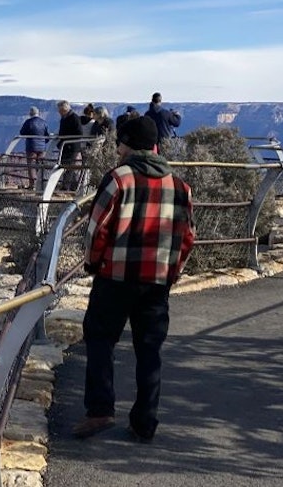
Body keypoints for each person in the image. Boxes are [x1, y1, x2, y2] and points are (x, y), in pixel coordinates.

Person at [72, 116, 195, 443]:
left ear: (128, 145)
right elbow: (187, 237)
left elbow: (97, 229)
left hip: (115, 278)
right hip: (157, 281)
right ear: (155, 147)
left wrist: (92, 264)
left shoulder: (118, 180)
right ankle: (144, 422)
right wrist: (173, 272)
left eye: (120, 144)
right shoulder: (180, 187)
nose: (117, 150)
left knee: (100, 339)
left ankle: (100, 410)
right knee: (149, 350)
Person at [19, 106, 49, 189]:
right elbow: (47, 135)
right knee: (41, 166)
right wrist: (43, 143)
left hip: (31, 147)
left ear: (30, 114)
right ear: (38, 113)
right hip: (42, 148)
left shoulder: (28, 122)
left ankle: (32, 185)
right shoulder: (44, 122)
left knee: (31, 166)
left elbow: (22, 133)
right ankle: (42, 185)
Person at [56, 100, 83, 190]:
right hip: (65, 146)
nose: (59, 112)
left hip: (72, 147)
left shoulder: (74, 118)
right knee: (66, 165)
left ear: (65, 109)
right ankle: (73, 186)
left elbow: (79, 133)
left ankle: (65, 187)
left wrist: (68, 138)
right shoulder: (64, 118)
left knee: (68, 166)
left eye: (60, 110)